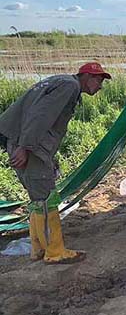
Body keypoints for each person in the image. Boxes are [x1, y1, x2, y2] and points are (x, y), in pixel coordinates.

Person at [0, 62, 111, 263]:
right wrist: (25, 147)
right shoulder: (70, 86)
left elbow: (36, 112)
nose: (100, 86)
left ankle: (38, 249)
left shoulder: (60, 81)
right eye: (98, 80)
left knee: (37, 198)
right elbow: (40, 116)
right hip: (30, 146)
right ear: (86, 76)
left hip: (24, 141)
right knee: (46, 199)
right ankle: (54, 252)